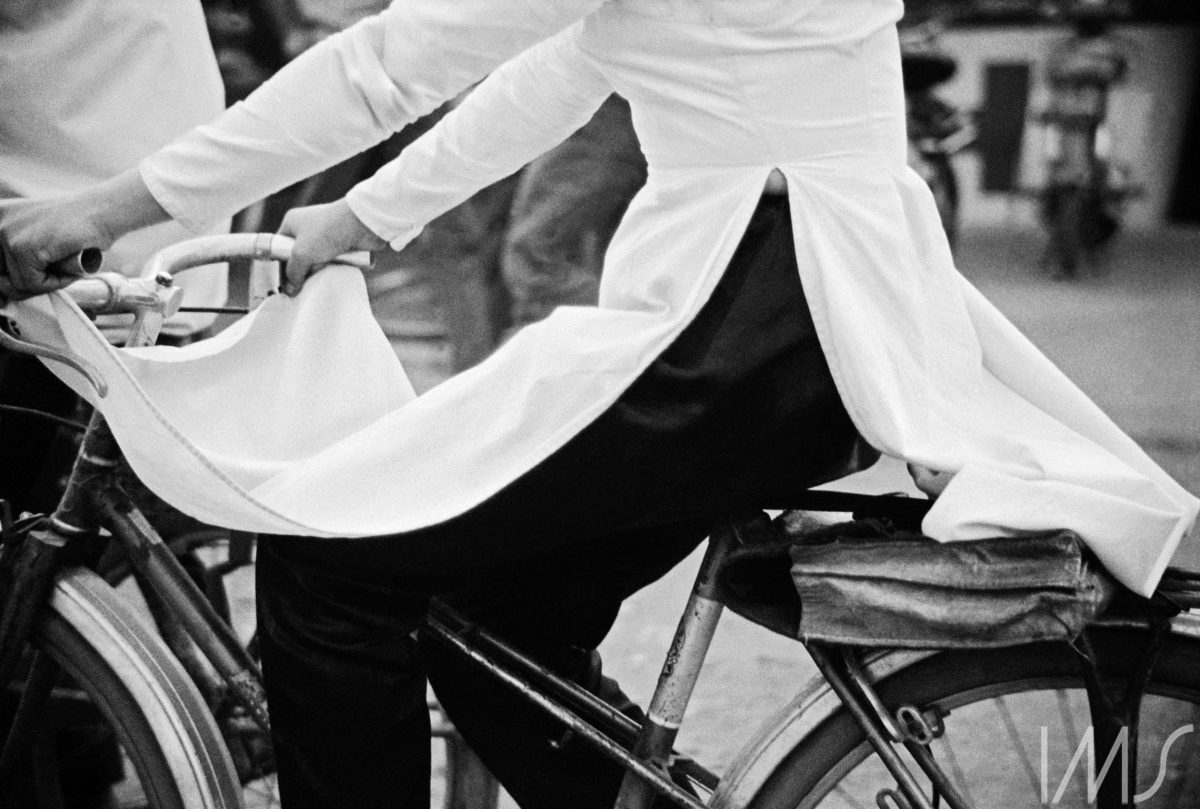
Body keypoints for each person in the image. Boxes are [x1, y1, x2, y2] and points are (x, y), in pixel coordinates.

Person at [1, 3, 1195, 809]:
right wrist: (367, 215)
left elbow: (388, 66)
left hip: (735, 314)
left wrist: (99, 209)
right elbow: (570, 65)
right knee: (487, 616)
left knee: (330, 571)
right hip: (800, 311)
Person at [1039, 3, 1129, 276]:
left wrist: (1085, 69)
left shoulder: (1110, 48)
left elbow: (1113, 71)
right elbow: (1055, 71)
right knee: (1062, 184)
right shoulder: (1065, 48)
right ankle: (1061, 249)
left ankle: (1092, 240)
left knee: (1107, 182)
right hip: (1065, 125)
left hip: (1096, 125)